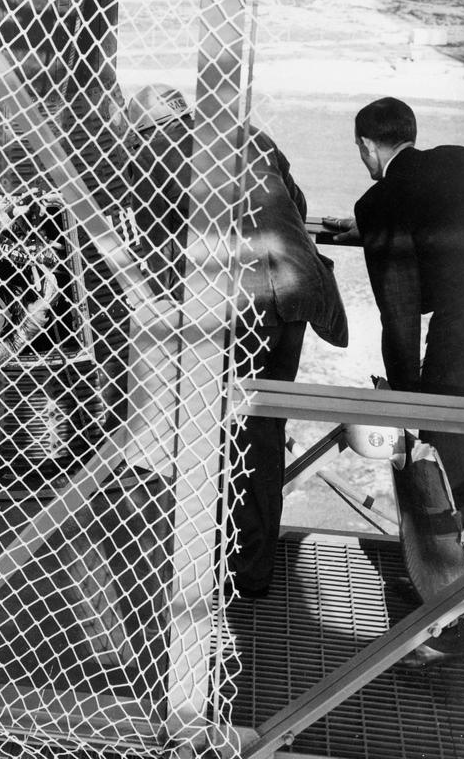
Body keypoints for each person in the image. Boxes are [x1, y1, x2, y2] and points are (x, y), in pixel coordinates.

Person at [111, 84, 348, 599]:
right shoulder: (248, 135)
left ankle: (223, 562)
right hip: (297, 290)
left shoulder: (155, 152)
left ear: (142, 127)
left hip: (243, 304)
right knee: (263, 425)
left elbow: (157, 253)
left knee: (220, 428)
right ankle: (252, 562)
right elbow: (297, 202)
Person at [345, 96, 464, 665]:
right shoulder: (461, 159)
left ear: (365, 146)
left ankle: (449, 629)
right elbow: (454, 242)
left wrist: (409, 404)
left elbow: (401, 314)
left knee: (453, 485)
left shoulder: (378, 202)